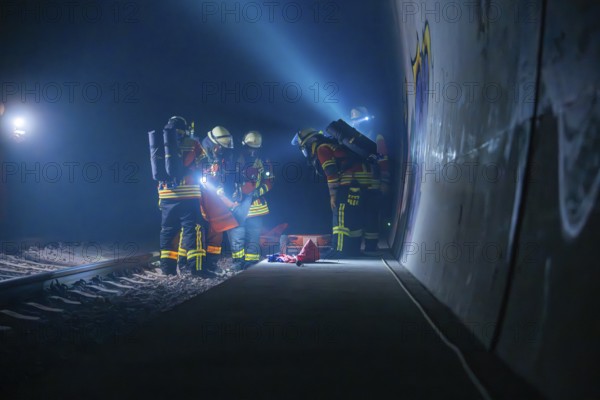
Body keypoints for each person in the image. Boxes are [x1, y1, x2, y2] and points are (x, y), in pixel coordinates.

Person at [292, 128, 380, 257]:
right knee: (357, 218)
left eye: (303, 146)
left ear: (309, 142)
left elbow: (331, 173)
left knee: (340, 217)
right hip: (367, 185)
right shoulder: (335, 145)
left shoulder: (322, 148)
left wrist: (333, 195)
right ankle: (359, 249)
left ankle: (338, 250)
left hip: (350, 184)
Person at [156, 116, 211, 277]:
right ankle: (197, 269)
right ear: (185, 129)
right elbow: (206, 165)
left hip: (166, 195)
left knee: (168, 231)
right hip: (188, 194)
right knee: (192, 230)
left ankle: (168, 269)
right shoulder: (193, 143)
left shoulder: (161, 144)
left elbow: (158, 171)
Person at [227, 131, 274, 270]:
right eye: (249, 148)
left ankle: (251, 263)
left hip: (255, 205)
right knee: (237, 234)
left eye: (254, 149)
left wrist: (259, 191)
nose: (251, 151)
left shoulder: (265, 161)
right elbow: (228, 178)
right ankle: (238, 262)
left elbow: (270, 180)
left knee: (253, 234)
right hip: (238, 204)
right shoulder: (235, 159)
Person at [350, 106, 391, 253]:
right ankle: (354, 247)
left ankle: (371, 247)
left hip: (372, 186)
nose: (356, 123)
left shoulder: (376, 137)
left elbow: (383, 161)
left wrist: (385, 182)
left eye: (359, 119)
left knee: (371, 218)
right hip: (354, 186)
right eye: (354, 120)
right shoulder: (350, 138)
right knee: (354, 218)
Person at [198, 126, 236, 273]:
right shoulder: (201, 153)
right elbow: (201, 177)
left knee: (217, 229)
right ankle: (195, 263)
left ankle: (211, 263)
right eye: (220, 147)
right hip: (200, 197)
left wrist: (221, 191)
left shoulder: (217, 157)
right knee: (199, 230)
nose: (221, 150)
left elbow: (219, 178)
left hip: (213, 197)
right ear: (214, 144)